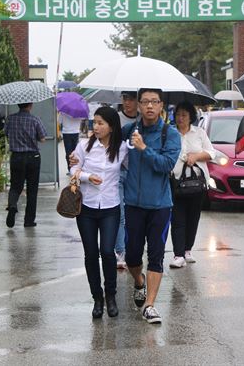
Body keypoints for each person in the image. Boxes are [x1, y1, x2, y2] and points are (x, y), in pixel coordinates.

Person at [122, 88, 181, 324]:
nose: (149, 106)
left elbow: (166, 165)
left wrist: (144, 149)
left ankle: (150, 305)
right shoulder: (129, 131)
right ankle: (139, 281)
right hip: (133, 203)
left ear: (161, 105)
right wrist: (79, 158)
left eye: (154, 102)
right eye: (144, 101)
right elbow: (106, 147)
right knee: (132, 256)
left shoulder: (170, 134)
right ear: (137, 105)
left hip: (159, 205)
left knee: (156, 254)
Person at [70, 106, 128, 318]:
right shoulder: (84, 146)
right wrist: (86, 177)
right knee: (91, 253)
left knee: (107, 251)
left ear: (112, 126)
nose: (96, 126)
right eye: (94, 122)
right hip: (86, 207)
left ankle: (111, 296)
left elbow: (132, 166)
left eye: (101, 123)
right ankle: (97, 298)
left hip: (111, 207)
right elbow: (73, 169)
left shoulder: (122, 148)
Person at [169, 101, 215, 268]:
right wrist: (182, 157)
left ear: (191, 117)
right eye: (178, 114)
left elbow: (211, 153)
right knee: (177, 218)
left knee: (193, 217)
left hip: (197, 182)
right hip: (176, 182)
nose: (180, 118)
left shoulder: (200, 133)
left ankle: (188, 250)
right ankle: (178, 254)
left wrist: (195, 157)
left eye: (184, 115)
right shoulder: (170, 133)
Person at [4, 102, 47, 228]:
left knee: (15, 186)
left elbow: (7, 134)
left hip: (16, 156)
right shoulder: (35, 119)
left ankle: (12, 206)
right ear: (30, 105)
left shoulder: (10, 119)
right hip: (33, 157)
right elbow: (43, 138)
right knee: (32, 190)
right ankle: (29, 221)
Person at [115, 91, 140, 269]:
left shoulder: (145, 120)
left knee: (135, 215)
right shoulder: (116, 119)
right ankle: (120, 251)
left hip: (138, 174)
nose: (127, 103)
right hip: (119, 172)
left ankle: (135, 249)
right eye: (125, 99)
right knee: (121, 214)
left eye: (131, 99)